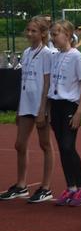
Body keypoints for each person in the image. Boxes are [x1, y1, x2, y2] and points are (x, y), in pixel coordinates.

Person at [0, 16, 55, 203]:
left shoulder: (47, 54)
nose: (29, 33)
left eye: (34, 31)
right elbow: (24, 81)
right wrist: (19, 108)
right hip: (26, 105)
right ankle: (21, 185)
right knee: (20, 144)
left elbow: (47, 83)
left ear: (43, 33)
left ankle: (46, 187)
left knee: (45, 144)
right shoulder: (26, 53)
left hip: (40, 106)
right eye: (28, 30)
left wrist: (43, 109)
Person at [43, 19, 81, 206]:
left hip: (70, 106)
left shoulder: (77, 57)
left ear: (68, 35)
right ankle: (71, 188)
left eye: (55, 34)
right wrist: (47, 109)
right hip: (56, 105)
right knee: (62, 148)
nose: (52, 38)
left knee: (68, 146)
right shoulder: (54, 57)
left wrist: (79, 111)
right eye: (51, 34)